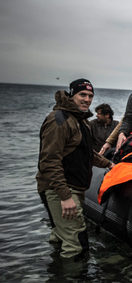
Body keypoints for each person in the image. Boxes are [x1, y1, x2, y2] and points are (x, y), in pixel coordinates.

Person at [37, 79, 113, 258]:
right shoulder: (60, 121)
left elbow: (86, 152)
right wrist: (65, 196)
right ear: (71, 95)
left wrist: (108, 164)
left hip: (72, 188)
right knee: (76, 246)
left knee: (60, 237)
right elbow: (49, 162)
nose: (87, 99)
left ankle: (56, 278)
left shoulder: (81, 120)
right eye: (82, 95)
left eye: (90, 96)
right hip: (61, 189)